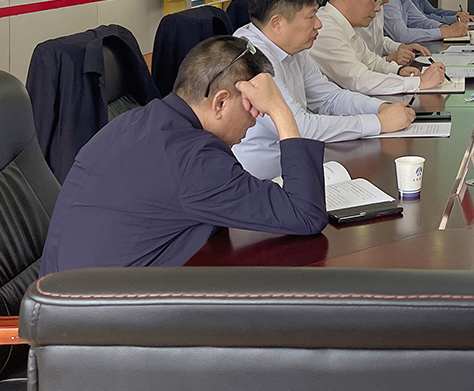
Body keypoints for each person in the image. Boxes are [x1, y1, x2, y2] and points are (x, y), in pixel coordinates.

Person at [40, 36, 329, 274]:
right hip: (99, 317)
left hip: (66, 298)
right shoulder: (195, 158)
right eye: (252, 108)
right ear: (221, 102)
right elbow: (306, 214)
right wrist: (281, 111)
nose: (255, 119)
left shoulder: (136, 121)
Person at [231, 0, 416, 180]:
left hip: (299, 167)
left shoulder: (292, 48)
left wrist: (381, 108)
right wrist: (379, 122)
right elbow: (298, 127)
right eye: (311, 16)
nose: (319, 24)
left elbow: (329, 97)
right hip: (264, 181)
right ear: (277, 23)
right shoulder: (249, 56)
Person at [312, 0, 449, 95]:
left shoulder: (347, 25)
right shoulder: (325, 29)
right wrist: (418, 82)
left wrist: (398, 71)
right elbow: (358, 80)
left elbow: (371, 61)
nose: (378, 8)